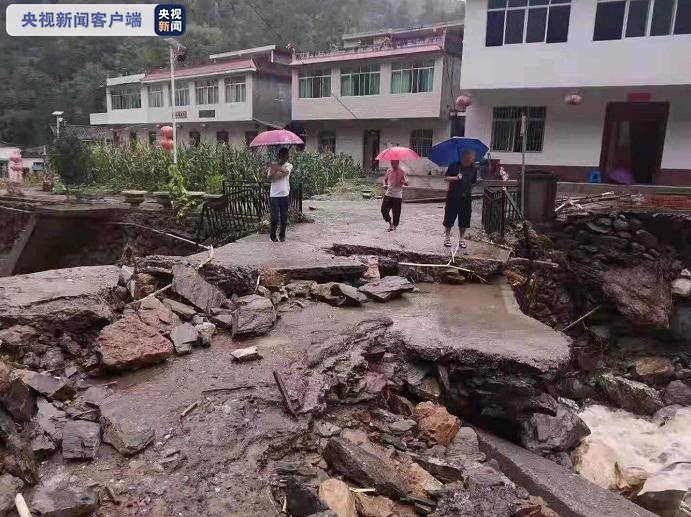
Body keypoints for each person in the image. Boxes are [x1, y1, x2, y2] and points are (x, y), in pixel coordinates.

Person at [443, 149, 477, 248]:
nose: (474, 158)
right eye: (472, 156)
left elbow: (473, 183)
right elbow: (446, 178)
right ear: (467, 156)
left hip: (466, 197)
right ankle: (447, 238)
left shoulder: (473, 168)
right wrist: (456, 178)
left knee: (465, 218)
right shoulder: (454, 165)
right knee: (449, 216)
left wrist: (468, 189)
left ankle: (461, 239)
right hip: (453, 196)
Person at [268, 147, 293, 242]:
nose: (286, 157)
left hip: (284, 194)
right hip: (274, 195)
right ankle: (272, 234)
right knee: (274, 216)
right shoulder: (273, 166)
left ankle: (282, 234)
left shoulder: (289, 165)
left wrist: (275, 168)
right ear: (279, 156)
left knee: (284, 216)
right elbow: (270, 178)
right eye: (283, 155)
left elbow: (284, 173)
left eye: (287, 156)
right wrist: (274, 169)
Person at [380, 160, 408, 232]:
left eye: (394, 163)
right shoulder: (389, 170)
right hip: (388, 193)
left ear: (398, 163)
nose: (393, 165)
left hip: (397, 195)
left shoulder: (402, 171)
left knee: (396, 212)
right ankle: (390, 223)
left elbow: (407, 183)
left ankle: (395, 227)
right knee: (384, 210)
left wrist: (402, 181)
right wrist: (384, 185)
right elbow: (384, 180)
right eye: (392, 163)